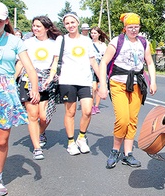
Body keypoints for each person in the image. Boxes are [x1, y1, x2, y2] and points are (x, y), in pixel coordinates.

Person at [98, 12, 157, 169]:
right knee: (122, 119)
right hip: (118, 83)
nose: (133, 30)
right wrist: (103, 85)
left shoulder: (143, 42)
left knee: (132, 119)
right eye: (130, 27)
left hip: (137, 84)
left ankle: (128, 154)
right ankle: (115, 150)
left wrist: (153, 82)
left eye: (136, 27)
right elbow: (103, 63)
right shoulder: (116, 41)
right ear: (124, 28)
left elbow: (150, 63)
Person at [0, 1, 40, 195]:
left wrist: (35, 89)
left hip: (5, 91)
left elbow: (29, 67)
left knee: (2, 140)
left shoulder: (14, 41)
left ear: (5, 21)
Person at [55, 12, 100, 156]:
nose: (70, 25)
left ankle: (81, 137)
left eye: (72, 22)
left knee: (87, 111)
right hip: (67, 81)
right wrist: (51, 76)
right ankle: (70, 142)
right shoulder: (61, 40)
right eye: (67, 23)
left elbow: (93, 61)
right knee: (71, 112)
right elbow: (56, 60)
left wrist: (102, 80)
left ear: (78, 23)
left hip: (85, 81)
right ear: (64, 25)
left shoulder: (86, 41)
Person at [18, 16, 62, 160]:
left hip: (46, 81)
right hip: (28, 80)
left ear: (47, 28)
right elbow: (21, 63)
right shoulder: (27, 42)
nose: (35, 29)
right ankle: (37, 148)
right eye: (34, 26)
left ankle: (40, 132)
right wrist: (12, 80)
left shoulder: (54, 43)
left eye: (38, 26)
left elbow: (55, 63)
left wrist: (51, 77)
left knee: (44, 117)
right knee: (33, 115)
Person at [89, 26, 109, 115]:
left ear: (99, 34)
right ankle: (91, 105)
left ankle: (96, 106)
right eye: (92, 33)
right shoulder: (88, 43)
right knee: (94, 87)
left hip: (100, 66)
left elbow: (105, 57)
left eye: (95, 33)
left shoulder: (103, 45)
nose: (93, 35)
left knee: (99, 87)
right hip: (90, 67)